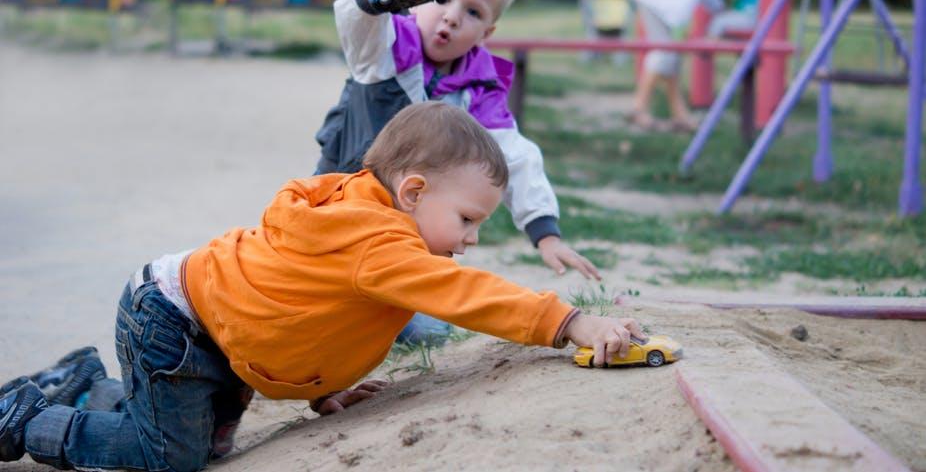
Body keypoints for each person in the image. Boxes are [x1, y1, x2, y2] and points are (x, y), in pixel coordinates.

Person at [0, 102, 645, 471]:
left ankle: (83, 379)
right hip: (175, 322)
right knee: (170, 459)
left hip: (213, 332)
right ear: (414, 192)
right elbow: (469, 296)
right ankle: (26, 418)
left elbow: (306, 303)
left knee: (212, 443)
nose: (470, 239)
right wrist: (569, 323)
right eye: (468, 219)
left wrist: (322, 385)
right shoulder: (379, 242)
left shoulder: (368, 214)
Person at [314, 0, 601, 346]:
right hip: (345, 196)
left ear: (487, 32)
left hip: (408, 218)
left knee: (426, 323)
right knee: (321, 274)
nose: (451, 16)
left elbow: (512, 155)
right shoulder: (384, 49)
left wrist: (544, 231)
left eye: (473, 12)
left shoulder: (478, 90)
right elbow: (354, 21)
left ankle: (392, 311)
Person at [618, 0, 751, 131]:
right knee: (665, 53)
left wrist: (719, 8)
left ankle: (679, 114)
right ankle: (638, 107)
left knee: (671, 55)